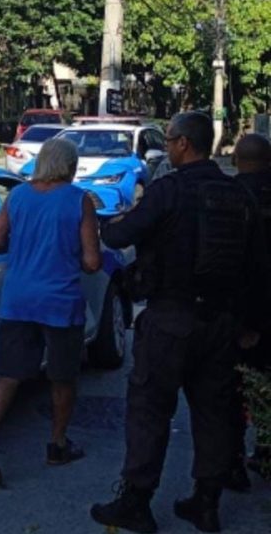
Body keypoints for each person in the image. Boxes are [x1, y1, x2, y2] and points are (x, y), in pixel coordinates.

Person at [90, 112, 266, 534]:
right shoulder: (239, 196)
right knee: (214, 413)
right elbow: (258, 268)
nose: (166, 146)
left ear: (184, 144)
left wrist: (117, 221)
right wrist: (251, 322)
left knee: (150, 410)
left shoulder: (168, 191)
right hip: (222, 323)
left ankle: (136, 500)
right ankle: (207, 502)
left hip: (171, 318)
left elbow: (118, 237)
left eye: (169, 139)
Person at [0, 138, 102, 487]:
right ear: (70, 166)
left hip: (17, 299)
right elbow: (92, 261)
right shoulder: (79, 201)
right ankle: (57, 445)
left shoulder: (17, 197)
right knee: (62, 376)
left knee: (7, 372)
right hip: (60, 302)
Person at [230, 134, 271, 486]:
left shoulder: (228, 196)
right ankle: (265, 450)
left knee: (233, 388)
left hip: (239, 310)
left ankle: (232, 461)